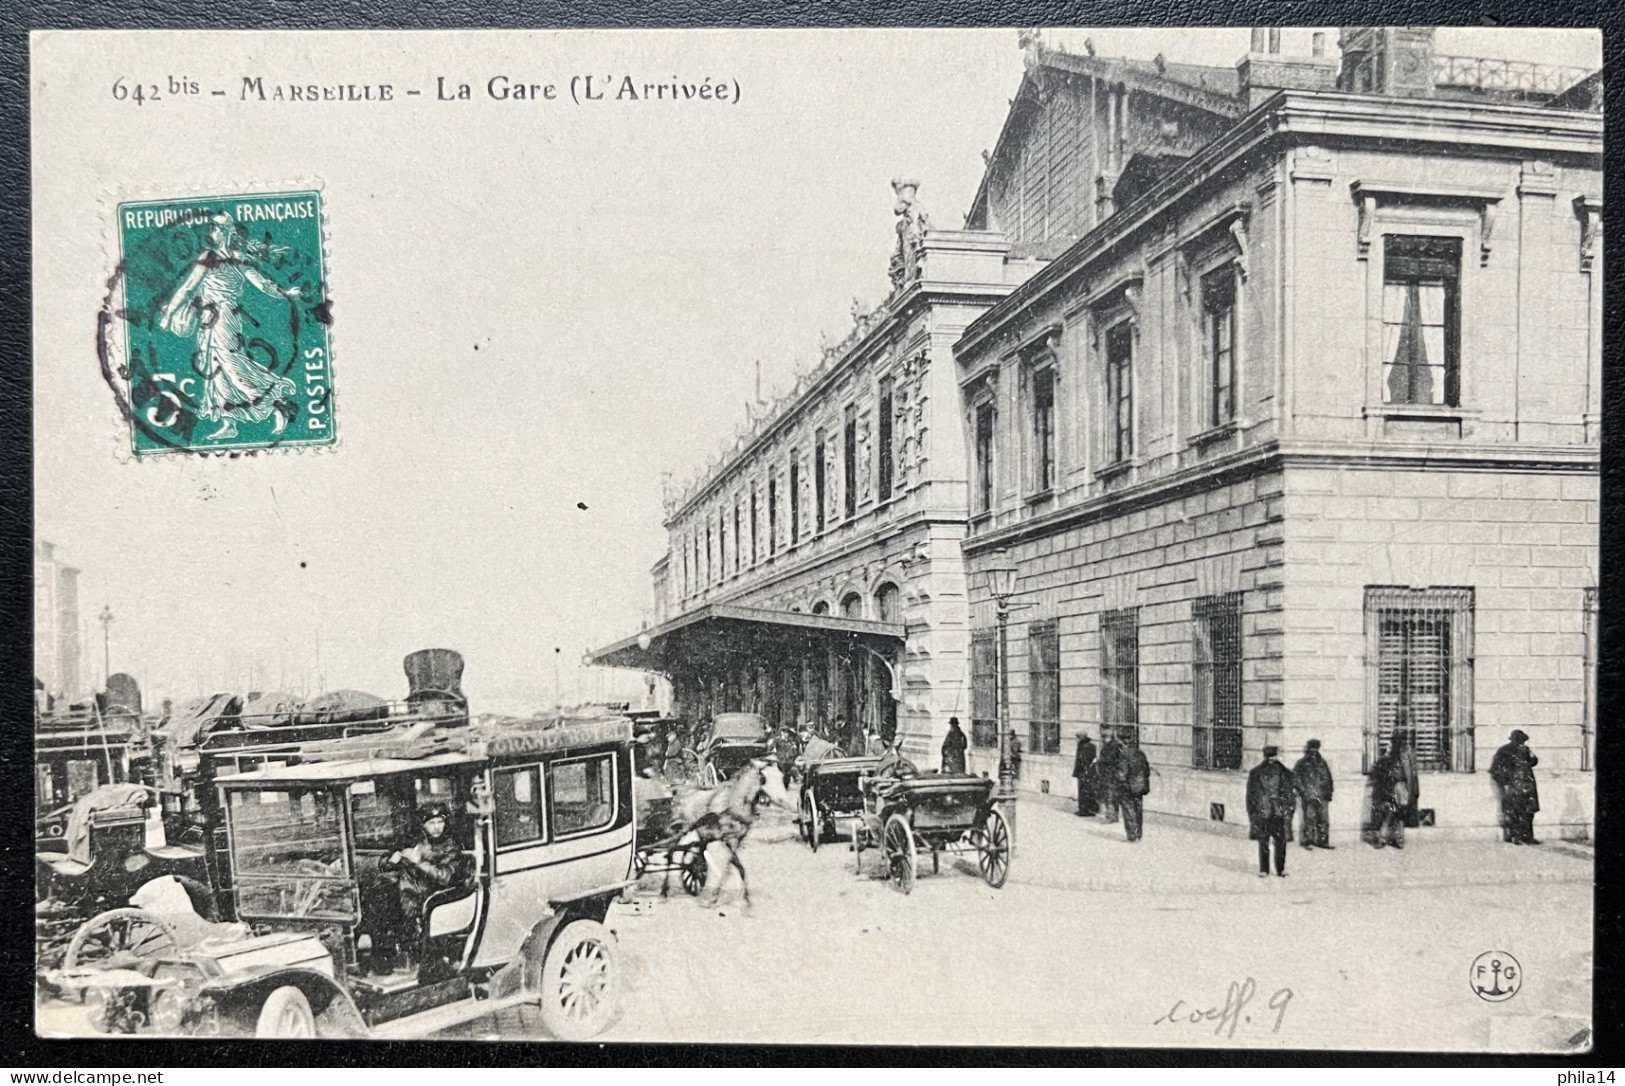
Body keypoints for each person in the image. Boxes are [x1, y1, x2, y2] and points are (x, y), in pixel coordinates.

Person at [158, 213, 301, 440]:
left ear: (224, 233)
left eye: (215, 230)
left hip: (221, 318)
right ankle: (230, 423)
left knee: (232, 365)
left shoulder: (212, 257)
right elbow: (263, 284)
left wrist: (168, 314)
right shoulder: (237, 257)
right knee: (215, 370)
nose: (211, 234)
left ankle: (278, 403)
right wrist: (285, 293)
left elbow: (187, 288)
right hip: (212, 319)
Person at [383, 802, 471, 951]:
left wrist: (419, 862)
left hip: (436, 896)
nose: (437, 827)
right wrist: (392, 860)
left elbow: (445, 877)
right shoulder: (416, 842)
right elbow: (387, 862)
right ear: (423, 825)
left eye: (440, 822)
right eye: (431, 823)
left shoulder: (451, 847)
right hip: (411, 893)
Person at [1247, 746, 1295, 877]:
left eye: (1273, 756)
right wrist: (1252, 813)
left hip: (1279, 812)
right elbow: (1250, 796)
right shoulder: (1255, 773)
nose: (1271, 759)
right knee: (1263, 841)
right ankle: (1264, 870)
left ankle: (1281, 869)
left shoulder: (1285, 773)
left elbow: (1290, 794)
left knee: (1281, 842)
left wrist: (1289, 809)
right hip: (1263, 812)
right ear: (1265, 757)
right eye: (1269, 757)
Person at [1490, 729, 1541, 845]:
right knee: (1514, 811)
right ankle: (1514, 836)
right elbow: (1495, 770)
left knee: (1529, 812)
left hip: (1527, 785)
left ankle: (1528, 836)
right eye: (1520, 740)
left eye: (1523, 741)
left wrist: (1531, 755)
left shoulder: (1526, 750)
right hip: (1513, 786)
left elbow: (1534, 762)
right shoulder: (1504, 751)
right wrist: (1505, 784)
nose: (1522, 743)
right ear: (1514, 740)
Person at [1292, 739, 1335, 849]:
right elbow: (1295, 779)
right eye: (1312, 749)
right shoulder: (1301, 763)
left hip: (1322, 795)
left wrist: (1329, 792)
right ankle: (1307, 841)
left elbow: (1328, 778)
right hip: (1309, 795)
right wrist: (1303, 792)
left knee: (1323, 819)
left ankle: (1322, 841)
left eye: (1316, 749)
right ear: (1309, 749)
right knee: (1309, 818)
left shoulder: (1322, 762)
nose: (1314, 752)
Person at [1370, 739, 1412, 849]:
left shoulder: (1398, 759)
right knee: (1392, 814)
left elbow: (1407, 775)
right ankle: (1397, 840)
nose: (1388, 748)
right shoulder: (1392, 759)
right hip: (1393, 788)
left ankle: (1390, 839)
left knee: (1393, 814)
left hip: (1397, 788)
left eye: (1389, 746)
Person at [1118, 735, 1151, 842]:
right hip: (1139, 786)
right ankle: (1139, 834)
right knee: (1138, 810)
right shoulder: (1141, 754)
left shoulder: (1124, 755)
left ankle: (1132, 835)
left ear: (1124, 744)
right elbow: (1147, 770)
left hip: (1127, 786)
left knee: (1128, 810)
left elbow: (1122, 773)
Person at [1096, 730, 1124, 823]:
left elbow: (1109, 760)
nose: (1102, 739)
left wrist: (1099, 761)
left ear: (1106, 737)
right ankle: (1113, 816)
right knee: (1111, 796)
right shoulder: (1114, 746)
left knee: (1110, 796)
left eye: (1103, 737)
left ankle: (1111, 816)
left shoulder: (1111, 747)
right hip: (1110, 775)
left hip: (1110, 775)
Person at [1072, 732, 1099, 817]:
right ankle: (1088, 809)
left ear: (1080, 738)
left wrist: (1077, 772)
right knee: (1088, 790)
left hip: (1083, 771)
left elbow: (1081, 760)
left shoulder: (1082, 746)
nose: (1076, 740)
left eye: (1077, 738)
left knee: (1083, 791)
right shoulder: (1091, 745)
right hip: (1090, 771)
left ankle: (1084, 811)